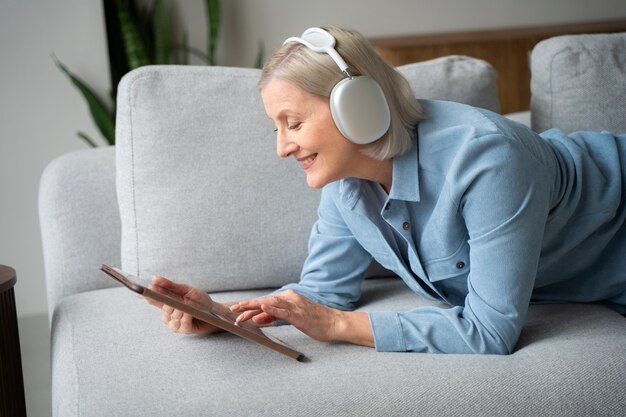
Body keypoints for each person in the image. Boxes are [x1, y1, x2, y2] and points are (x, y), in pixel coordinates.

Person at [147, 25, 626, 355]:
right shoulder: (347, 183)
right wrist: (224, 316)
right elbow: (322, 292)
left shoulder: (488, 159)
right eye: (276, 128)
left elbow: (489, 332)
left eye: (292, 123)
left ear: (357, 107)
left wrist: (338, 329)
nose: (282, 148)